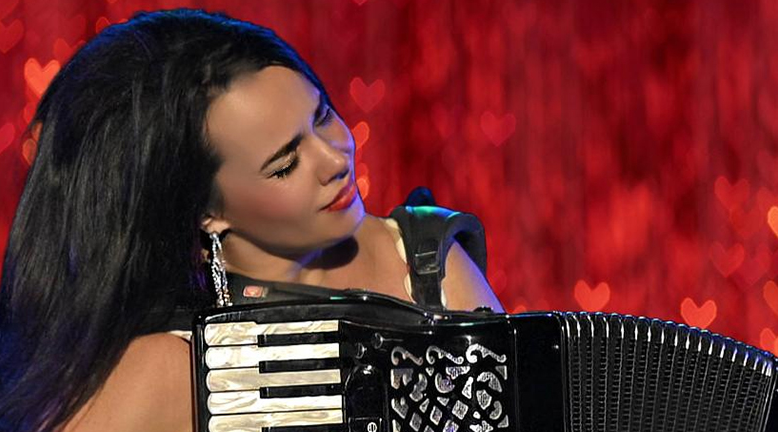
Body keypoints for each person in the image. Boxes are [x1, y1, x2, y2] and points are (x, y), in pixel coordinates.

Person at [0, 8, 503, 432]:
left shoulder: (426, 261)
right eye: (285, 164)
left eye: (323, 116)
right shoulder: (165, 366)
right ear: (207, 213)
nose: (335, 159)